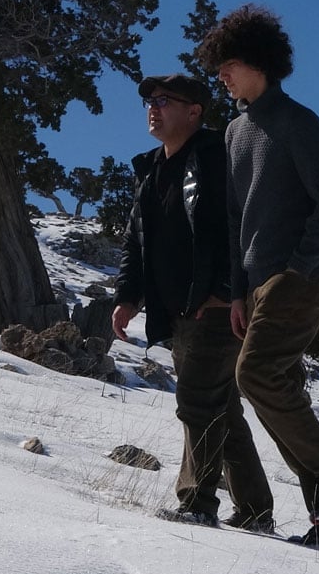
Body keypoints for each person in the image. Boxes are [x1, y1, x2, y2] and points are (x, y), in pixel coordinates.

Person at [198, 5, 319, 552]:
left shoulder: (300, 122)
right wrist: (237, 290)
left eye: (226, 64)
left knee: (257, 376)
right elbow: (233, 220)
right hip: (255, 284)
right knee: (278, 385)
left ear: (258, 61)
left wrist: (298, 267)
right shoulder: (233, 132)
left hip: (301, 276)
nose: (220, 76)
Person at [112, 73, 275, 533]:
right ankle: (256, 511)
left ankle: (197, 503)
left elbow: (240, 226)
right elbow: (136, 243)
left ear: (195, 110)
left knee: (198, 403)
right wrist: (128, 297)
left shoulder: (215, 157)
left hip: (218, 307)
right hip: (178, 307)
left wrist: (227, 290)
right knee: (220, 407)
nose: (153, 107)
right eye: (148, 100)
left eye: (164, 100)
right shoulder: (151, 169)